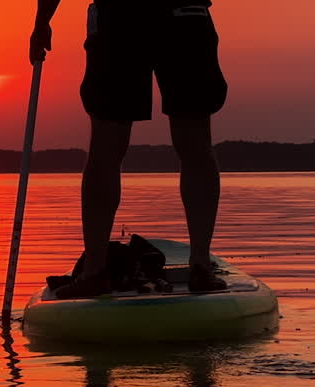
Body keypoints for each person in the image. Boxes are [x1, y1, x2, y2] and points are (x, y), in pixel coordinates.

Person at [31, 0, 229, 297]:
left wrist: (42, 20)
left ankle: (98, 271)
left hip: (138, 17)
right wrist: (42, 20)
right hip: (154, 17)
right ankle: (197, 266)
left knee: (113, 148)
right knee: (189, 144)